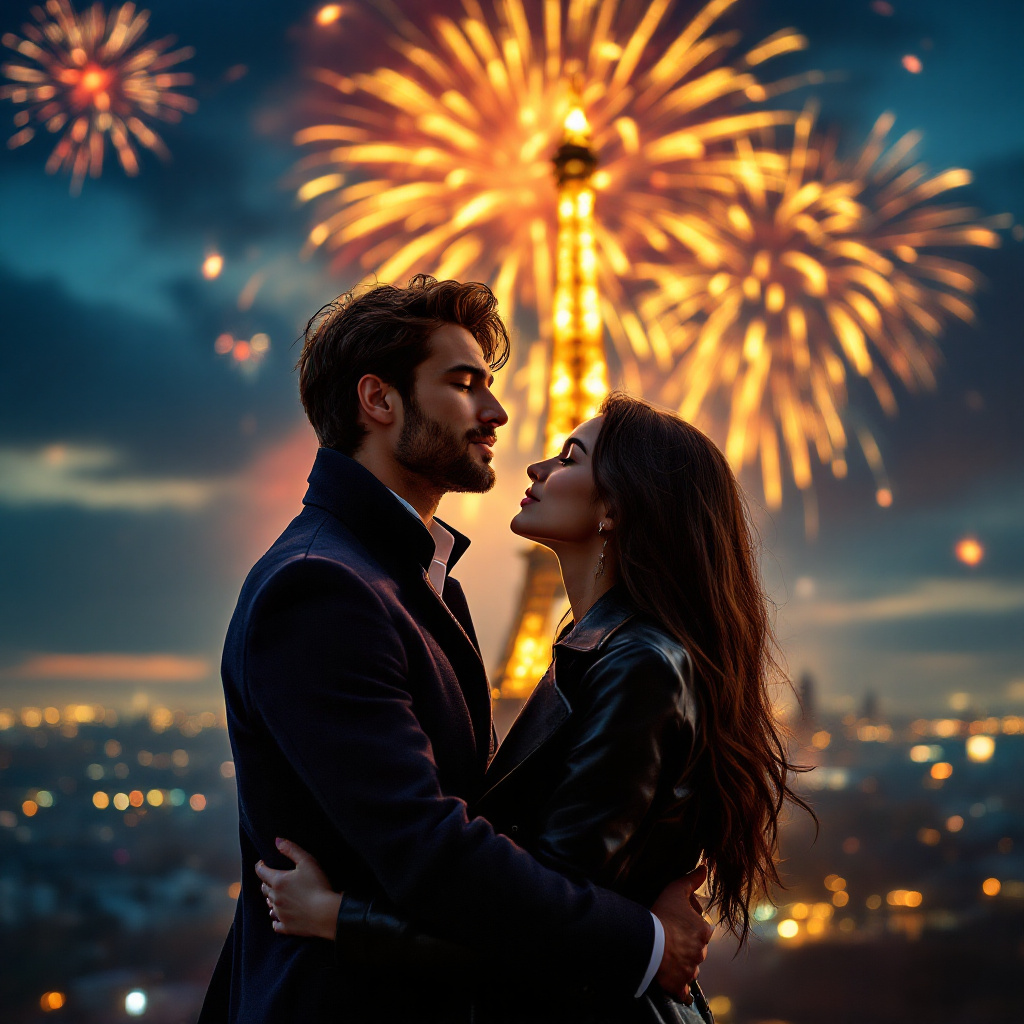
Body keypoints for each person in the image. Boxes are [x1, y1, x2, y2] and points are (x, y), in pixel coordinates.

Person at [199, 277, 712, 1024]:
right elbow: (431, 850)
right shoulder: (322, 587)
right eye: (465, 384)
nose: (498, 413)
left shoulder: (413, 581)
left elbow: (508, 830)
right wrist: (643, 941)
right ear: (379, 401)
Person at [256, 391, 811, 1023]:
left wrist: (341, 919)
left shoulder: (638, 665)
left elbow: (545, 925)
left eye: (569, 457)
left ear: (616, 507)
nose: (536, 469)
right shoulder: (600, 652)